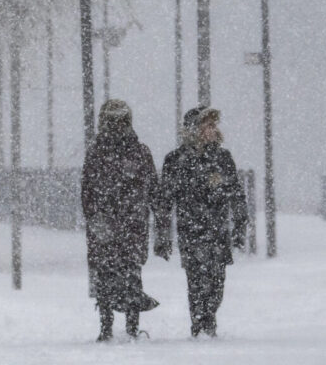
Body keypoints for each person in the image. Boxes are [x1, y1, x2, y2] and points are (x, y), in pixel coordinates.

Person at [154, 106, 249, 338]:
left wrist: (239, 226)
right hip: (191, 230)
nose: (213, 129)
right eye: (208, 125)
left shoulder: (223, 158)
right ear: (195, 129)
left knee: (217, 282)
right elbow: (165, 200)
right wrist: (163, 235)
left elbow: (236, 194)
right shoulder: (175, 160)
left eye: (214, 125)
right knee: (196, 280)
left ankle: (209, 317)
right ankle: (201, 325)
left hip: (217, 231)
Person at [81, 99, 160, 341]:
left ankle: (127, 327)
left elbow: (153, 189)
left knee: (128, 275)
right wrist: (95, 217)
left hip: (129, 225)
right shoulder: (98, 152)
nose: (116, 126)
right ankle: (111, 326)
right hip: (111, 225)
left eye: (120, 121)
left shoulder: (137, 152)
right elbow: (88, 191)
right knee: (109, 275)